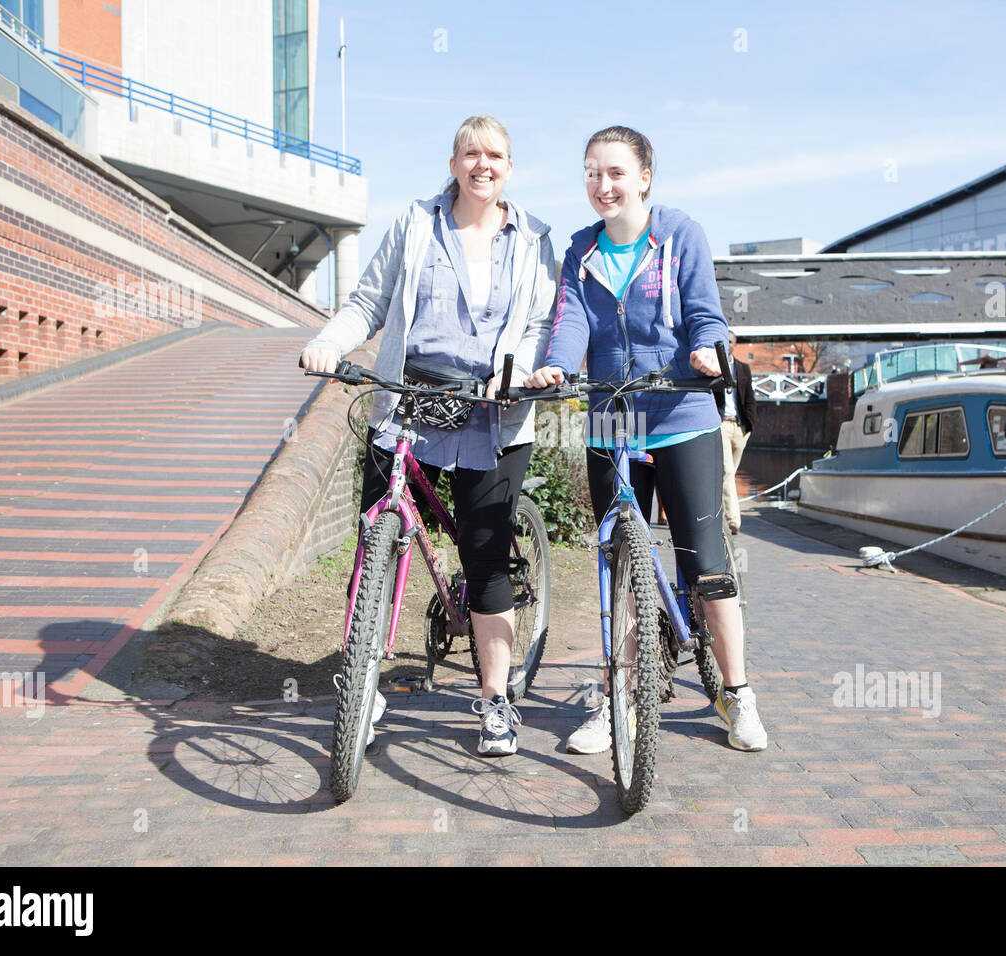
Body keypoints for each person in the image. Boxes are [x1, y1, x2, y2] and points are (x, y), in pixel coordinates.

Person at [299, 116, 557, 758]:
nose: (482, 165)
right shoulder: (416, 224)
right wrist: (329, 342)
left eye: (495, 155)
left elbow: (539, 322)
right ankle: (364, 676)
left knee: (487, 563)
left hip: (491, 414)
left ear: (510, 167)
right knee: (373, 541)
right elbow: (368, 301)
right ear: (453, 163)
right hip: (410, 404)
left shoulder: (534, 240)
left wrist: (518, 373)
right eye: (470, 153)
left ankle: (495, 702)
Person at [525, 126, 768, 753]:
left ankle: (736, 695)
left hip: (683, 408)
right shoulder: (580, 249)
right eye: (591, 173)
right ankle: (617, 698)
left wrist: (709, 350)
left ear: (644, 179)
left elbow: (706, 311)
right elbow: (570, 320)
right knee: (618, 564)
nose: (602, 186)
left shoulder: (680, 235)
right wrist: (556, 363)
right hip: (610, 415)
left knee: (707, 564)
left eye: (614, 173)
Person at [717, 331, 757, 535]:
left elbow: (750, 398)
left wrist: (749, 425)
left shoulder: (743, 368)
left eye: (730, 342)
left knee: (727, 475)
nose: (727, 344)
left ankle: (720, 513)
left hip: (740, 427)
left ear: (735, 345)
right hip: (722, 424)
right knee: (728, 472)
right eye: (725, 340)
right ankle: (734, 521)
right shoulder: (714, 368)